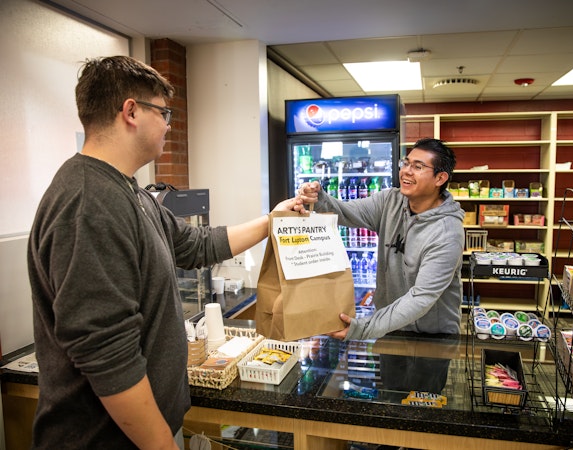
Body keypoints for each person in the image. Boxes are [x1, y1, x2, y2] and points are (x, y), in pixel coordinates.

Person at [27, 55, 306, 450]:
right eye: (163, 112)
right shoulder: (89, 202)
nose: (169, 125)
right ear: (130, 112)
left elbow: (196, 245)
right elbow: (108, 356)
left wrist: (271, 220)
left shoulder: (130, 192)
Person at [298, 138, 465, 341]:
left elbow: (421, 297)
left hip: (432, 336)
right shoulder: (390, 201)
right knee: (390, 375)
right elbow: (348, 212)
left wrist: (363, 328)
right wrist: (319, 198)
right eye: (406, 163)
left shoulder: (448, 232)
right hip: (388, 327)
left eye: (418, 167)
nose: (406, 171)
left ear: (440, 178)